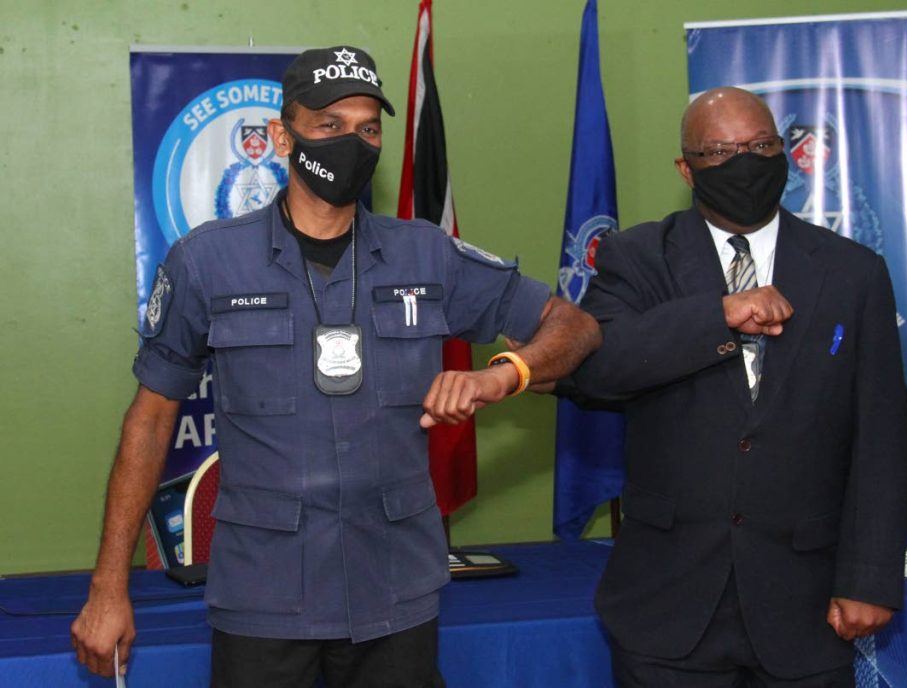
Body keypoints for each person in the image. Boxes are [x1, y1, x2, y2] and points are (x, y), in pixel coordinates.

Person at [71, 44, 601, 687]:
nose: (352, 142)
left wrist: (504, 373)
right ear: (280, 135)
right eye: (329, 126)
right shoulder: (207, 263)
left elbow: (574, 326)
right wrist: (108, 589)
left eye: (367, 128)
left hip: (394, 590)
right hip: (264, 597)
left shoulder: (426, 256)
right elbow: (150, 423)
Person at [565, 87, 907, 687]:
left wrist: (870, 577)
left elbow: (880, 435)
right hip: (668, 605)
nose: (745, 163)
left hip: (807, 606)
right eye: (721, 151)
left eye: (761, 146)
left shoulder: (853, 272)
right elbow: (597, 368)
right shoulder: (638, 257)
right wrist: (717, 315)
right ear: (686, 168)